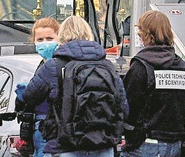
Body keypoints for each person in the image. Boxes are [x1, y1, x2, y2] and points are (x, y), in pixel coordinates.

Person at [19, 16, 126, 157]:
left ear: (62, 36)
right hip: (103, 146)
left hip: (64, 146)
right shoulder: (107, 67)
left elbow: (29, 96)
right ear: (89, 34)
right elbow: (124, 107)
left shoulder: (54, 65)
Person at [122, 11, 185, 157]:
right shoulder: (182, 67)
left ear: (147, 34)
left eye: (140, 30)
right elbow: (184, 105)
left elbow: (128, 107)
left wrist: (130, 136)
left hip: (145, 144)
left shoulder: (141, 66)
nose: (139, 34)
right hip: (174, 144)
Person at [16, 18, 61, 157]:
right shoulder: (42, 65)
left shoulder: (59, 65)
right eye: (40, 39)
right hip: (39, 129)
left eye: (49, 38)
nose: (45, 43)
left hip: (51, 129)